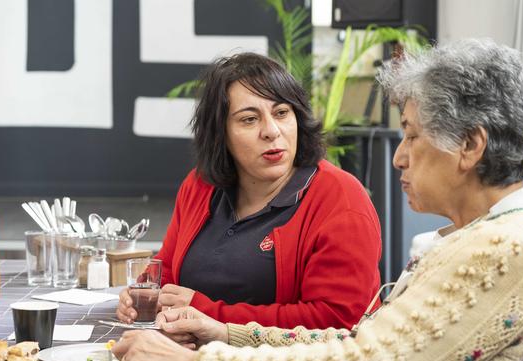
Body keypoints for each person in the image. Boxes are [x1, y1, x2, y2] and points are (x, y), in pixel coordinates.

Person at [111, 39, 523, 361]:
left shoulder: (499, 251)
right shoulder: (492, 236)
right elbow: (361, 340)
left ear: (470, 146)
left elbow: (361, 358)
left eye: (411, 134)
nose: (398, 156)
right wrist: (223, 331)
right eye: (249, 119)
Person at [116, 52, 383, 329]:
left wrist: (209, 316)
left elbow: (337, 322)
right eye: (249, 119)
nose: (271, 131)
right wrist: (143, 292)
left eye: (281, 113)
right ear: (221, 135)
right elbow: (167, 269)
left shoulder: (340, 198)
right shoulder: (200, 185)